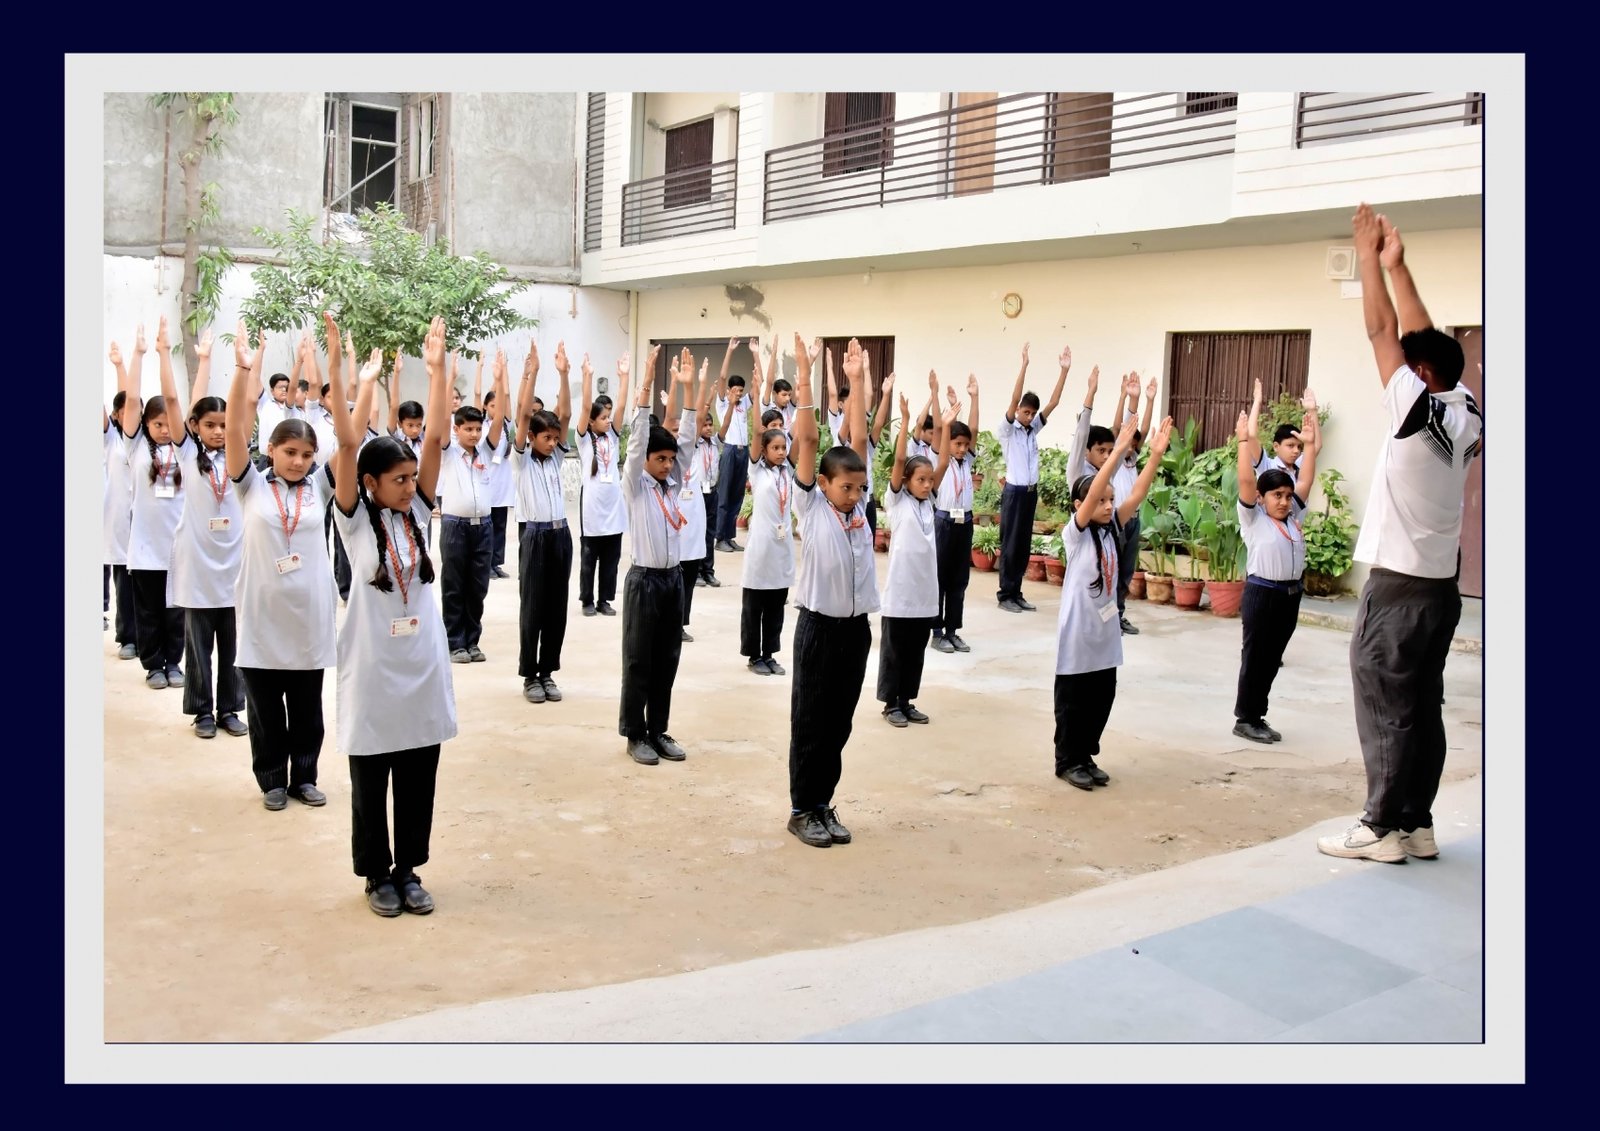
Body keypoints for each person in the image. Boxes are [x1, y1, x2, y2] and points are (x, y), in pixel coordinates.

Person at [1317, 205, 1483, 864]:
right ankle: (1416, 821)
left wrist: (1365, 256)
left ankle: (1380, 826)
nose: (1397, 365)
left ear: (1421, 375)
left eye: (1408, 365)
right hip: (1440, 587)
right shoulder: (1465, 409)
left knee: (1384, 697)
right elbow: (1419, 334)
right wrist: (1399, 264)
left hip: (1398, 587)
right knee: (1422, 703)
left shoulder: (1413, 410)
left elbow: (1384, 327)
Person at [329, 315, 457, 917]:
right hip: (375, 664)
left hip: (420, 662)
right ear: (370, 484)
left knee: (416, 770)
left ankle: (408, 869)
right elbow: (349, 446)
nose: (409, 487)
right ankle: (375, 873)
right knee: (371, 771)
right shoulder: (356, 519)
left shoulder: (418, 514)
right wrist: (349, 377)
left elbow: (433, 439)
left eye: (411, 480)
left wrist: (436, 374)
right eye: (398, 481)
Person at [225, 317, 343, 811]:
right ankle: (272, 778)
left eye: (305, 453)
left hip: (308, 615)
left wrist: (334, 360)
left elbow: (350, 441)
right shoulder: (249, 484)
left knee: (307, 706)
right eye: (289, 451)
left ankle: (306, 776)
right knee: (266, 706)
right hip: (261, 613)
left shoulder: (321, 486)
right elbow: (234, 426)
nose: (297, 460)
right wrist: (241, 371)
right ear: (269, 449)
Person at [786, 335, 876, 848]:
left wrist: (858, 381)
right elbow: (806, 442)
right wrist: (804, 374)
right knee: (812, 720)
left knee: (839, 722)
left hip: (855, 630)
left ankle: (823, 802)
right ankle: (802, 808)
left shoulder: (858, 511)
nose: (855, 494)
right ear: (822, 484)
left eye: (859, 487)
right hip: (818, 629)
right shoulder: (812, 506)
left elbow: (858, 440)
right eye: (846, 487)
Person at [1052, 415, 1172, 790]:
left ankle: (1087, 754)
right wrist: (1117, 451)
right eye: (1100, 501)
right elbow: (1092, 495)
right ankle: (1068, 759)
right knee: (1074, 699)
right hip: (1079, 630)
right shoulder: (1078, 533)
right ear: (1080, 505)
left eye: (1109, 501)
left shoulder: (1114, 527)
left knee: (1102, 694)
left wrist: (1152, 456)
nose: (1107, 505)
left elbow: (1135, 494)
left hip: (1105, 630)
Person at [160, 327, 249, 739]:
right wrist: (200, 360)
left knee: (234, 644)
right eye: (209, 424)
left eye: (223, 425)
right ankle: (202, 712)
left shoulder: (237, 459)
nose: (217, 431)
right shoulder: (186, 452)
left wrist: (243, 365)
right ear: (195, 427)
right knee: (198, 646)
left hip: (234, 567)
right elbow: (180, 402)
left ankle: (230, 707)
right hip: (198, 565)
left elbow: (243, 407)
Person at [618, 346, 693, 767]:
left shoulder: (671, 483)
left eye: (669, 460)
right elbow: (636, 444)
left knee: (667, 657)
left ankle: (658, 728)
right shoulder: (637, 485)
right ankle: (635, 733)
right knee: (639, 658)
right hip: (644, 580)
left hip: (673, 580)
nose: (666, 465)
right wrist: (646, 380)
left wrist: (686, 393)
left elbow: (686, 442)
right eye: (659, 459)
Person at [1232, 405, 1318, 744]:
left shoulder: (1292, 516)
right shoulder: (1254, 519)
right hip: (1262, 593)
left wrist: (1309, 446)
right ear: (1260, 498)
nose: (1283, 502)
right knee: (1255, 657)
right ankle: (1245, 718)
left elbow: (1307, 479)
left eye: (1286, 495)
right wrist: (1242, 441)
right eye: (1276, 496)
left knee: (1272, 660)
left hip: (1289, 595)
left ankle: (1258, 714)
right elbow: (1244, 479)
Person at [878, 390, 959, 725]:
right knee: (895, 650)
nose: (927, 485)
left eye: (929, 481)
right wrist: (907, 423)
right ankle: (891, 704)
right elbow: (899, 461)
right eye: (920, 480)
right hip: (901, 592)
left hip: (925, 593)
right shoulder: (897, 501)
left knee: (915, 651)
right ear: (906, 482)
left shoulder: (930, 502)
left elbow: (942, 461)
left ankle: (907, 699)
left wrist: (946, 426)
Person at [119, 318, 187, 690]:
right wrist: (139, 354)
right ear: (145, 424)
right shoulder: (134, 448)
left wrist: (166, 355)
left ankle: (174, 662)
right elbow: (130, 399)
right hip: (145, 548)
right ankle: (153, 664)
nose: (164, 429)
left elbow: (177, 401)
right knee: (147, 610)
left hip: (177, 548)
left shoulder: (186, 451)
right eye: (156, 423)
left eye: (168, 423)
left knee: (175, 612)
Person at [513, 340, 573, 704]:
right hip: (534, 536)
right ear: (531, 437)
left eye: (554, 438)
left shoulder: (555, 459)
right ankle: (530, 675)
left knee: (556, 606)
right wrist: (532, 373)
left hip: (560, 535)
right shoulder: (520, 459)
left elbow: (565, 415)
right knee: (533, 605)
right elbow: (522, 414)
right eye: (545, 437)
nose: (552, 443)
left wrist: (564, 375)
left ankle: (548, 671)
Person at [436, 358, 505, 663]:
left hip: (483, 526)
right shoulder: (449, 453)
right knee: (454, 585)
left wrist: (500, 381)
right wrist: (445, 377)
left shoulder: (487, 452)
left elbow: (500, 419)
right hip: (455, 526)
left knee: (478, 586)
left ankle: (472, 640)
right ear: (457, 429)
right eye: (468, 429)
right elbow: (438, 420)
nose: (475, 434)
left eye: (478, 429)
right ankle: (454, 642)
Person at [997, 342, 1070, 613]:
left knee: (1024, 544)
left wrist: (1064, 371)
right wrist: (1024, 366)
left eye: (1031, 413)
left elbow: (1054, 403)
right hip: (1014, 493)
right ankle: (1005, 594)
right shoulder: (1009, 430)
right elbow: (1014, 399)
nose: (1028, 417)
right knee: (1011, 543)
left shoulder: (1032, 429)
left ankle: (1017, 592)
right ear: (1018, 412)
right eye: (1025, 412)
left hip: (1030, 492)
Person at [741, 356, 797, 676]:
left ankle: (770, 652)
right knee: (756, 603)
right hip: (762, 545)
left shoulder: (787, 472)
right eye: (775, 448)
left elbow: (801, 438)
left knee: (777, 601)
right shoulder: (758, 470)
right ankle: (753, 656)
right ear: (764, 451)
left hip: (782, 544)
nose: (780, 452)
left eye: (783, 448)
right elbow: (756, 429)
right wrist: (758, 388)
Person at [931, 372, 980, 654]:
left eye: (965, 445)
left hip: (966, 522)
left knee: (959, 579)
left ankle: (952, 630)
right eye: (957, 444)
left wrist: (975, 398)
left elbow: (973, 427)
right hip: (945, 522)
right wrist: (947, 422)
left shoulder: (966, 461)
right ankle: (936, 631)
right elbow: (941, 433)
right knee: (940, 577)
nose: (962, 449)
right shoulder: (941, 460)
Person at [576, 346, 628, 617]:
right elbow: (585, 407)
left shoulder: (613, 437)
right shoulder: (585, 440)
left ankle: (605, 599)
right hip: (593, 508)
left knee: (611, 559)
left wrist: (624, 377)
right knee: (589, 558)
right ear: (592, 421)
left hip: (613, 506)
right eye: (603, 418)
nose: (608, 421)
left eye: (609, 418)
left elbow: (620, 406)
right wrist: (587, 376)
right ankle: (587, 599)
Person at [669, 353, 714, 642]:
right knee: (672, 577)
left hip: (694, 520)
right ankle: (669, 622)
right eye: (672, 431)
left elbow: (696, 418)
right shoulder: (666, 463)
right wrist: (677, 384)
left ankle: (681, 623)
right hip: (673, 523)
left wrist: (699, 384)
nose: (678, 434)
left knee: (688, 577)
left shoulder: (694, 449)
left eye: (680, 431)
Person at [105, 341, 140, 660]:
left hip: (146, 525)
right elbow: (124, 401)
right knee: (124, 584)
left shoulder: (147, 443)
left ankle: (147, 637)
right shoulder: (111, 439)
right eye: (124, 412)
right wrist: (119, 367)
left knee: (147, 586)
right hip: (119, 523)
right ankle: (127, 635)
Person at [714, 338, 760, 551]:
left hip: (743, 451)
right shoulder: (723, 401)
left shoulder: (745, 403)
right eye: (736, 390)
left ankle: (730, 536)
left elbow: (758, 384)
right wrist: (730, 351)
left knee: (737, 495)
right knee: (724, 495)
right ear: (729, 390)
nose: (739, 393)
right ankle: (719, 537)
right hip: (730, 450)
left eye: (741, 390)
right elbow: (722, 377)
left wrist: (755, 354)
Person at [474, 352, 515, 580]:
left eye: (496, 404)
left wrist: (504, 371)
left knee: (500, 524)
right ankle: (486, 563)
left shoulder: (506, 423)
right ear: (485, 407)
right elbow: (478, 393)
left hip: (502, 481)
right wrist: (482, 369)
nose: (495, 407)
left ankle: (497, 562)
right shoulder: (479, 425)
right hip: (486, 480)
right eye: (491, 404)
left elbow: (506, 394)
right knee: (487, 526)